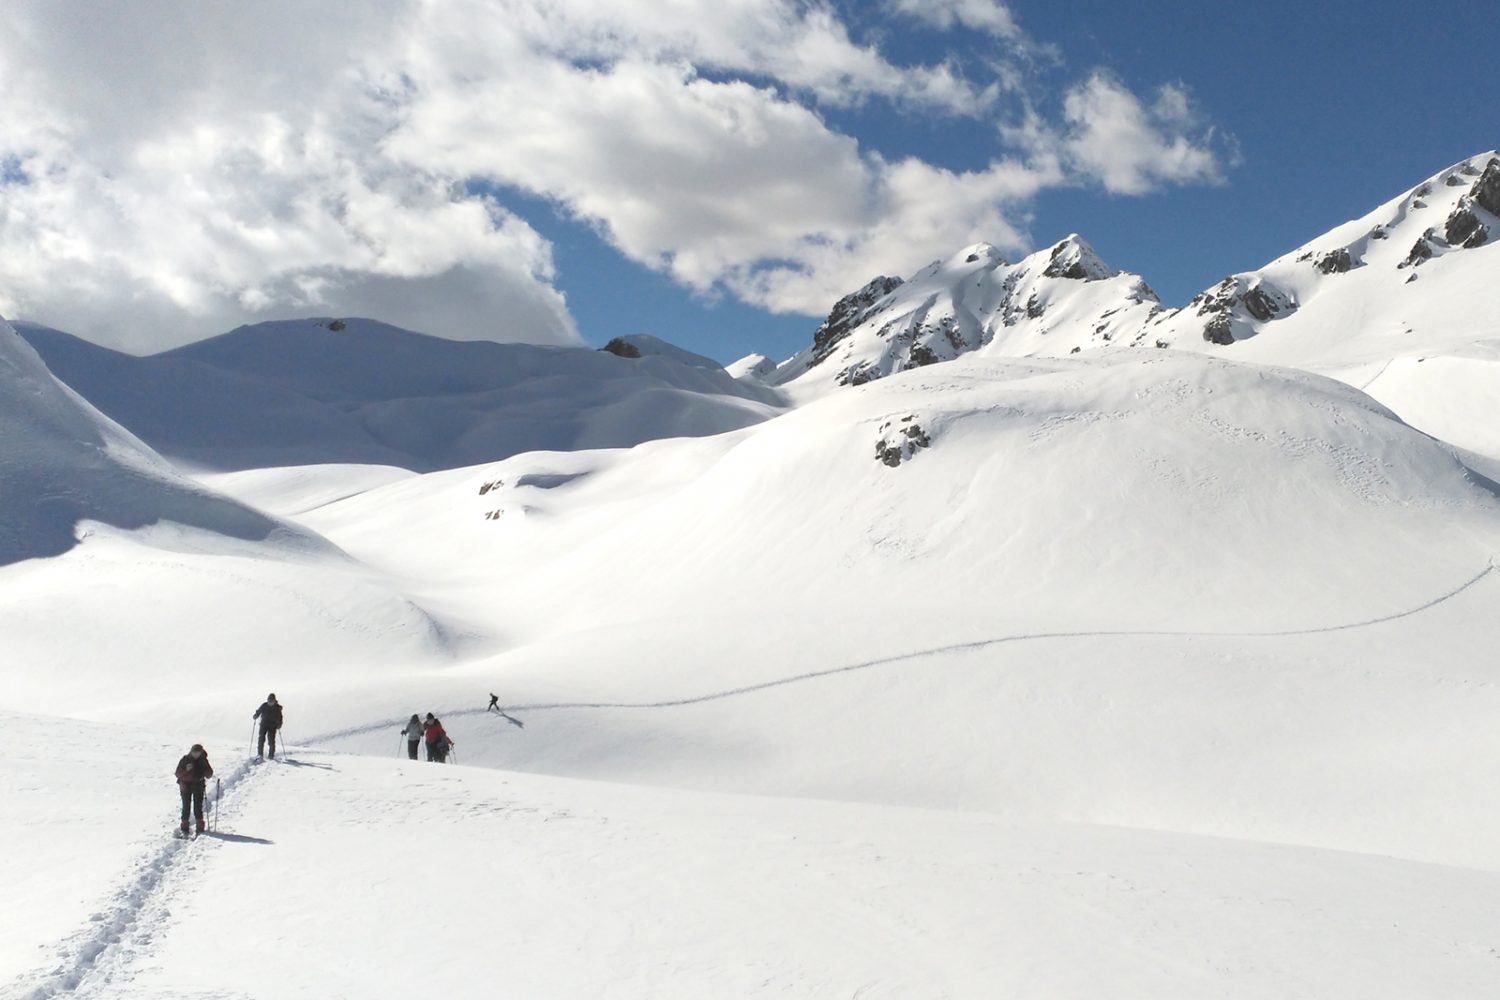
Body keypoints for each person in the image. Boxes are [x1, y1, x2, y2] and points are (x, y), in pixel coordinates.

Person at [175, 743, 214, 835]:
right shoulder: (185, 760)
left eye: (198, 752)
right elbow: (177, 773)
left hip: (198, 786)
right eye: (194, 752)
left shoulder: (203, 761)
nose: (196, 754)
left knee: (197, 807)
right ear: (191, 751)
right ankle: (184, 828)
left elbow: (209, 774)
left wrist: (205, 771)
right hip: (185, 786)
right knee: (186, 807)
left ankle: (199, 828)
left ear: (201, 752)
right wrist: (186, 770)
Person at [253, 693, 283, 759]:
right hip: (263, 724)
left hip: (272, 726)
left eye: (271, 701)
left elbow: (280, 717)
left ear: (274, 701)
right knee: (261, 739)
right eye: (269, 700)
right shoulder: (264, 705)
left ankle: (271, 755)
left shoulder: (277, 708)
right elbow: (259, 711)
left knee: (271, 740)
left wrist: (279, 724)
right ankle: (260, 754)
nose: (270, 702)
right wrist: (256, 715)